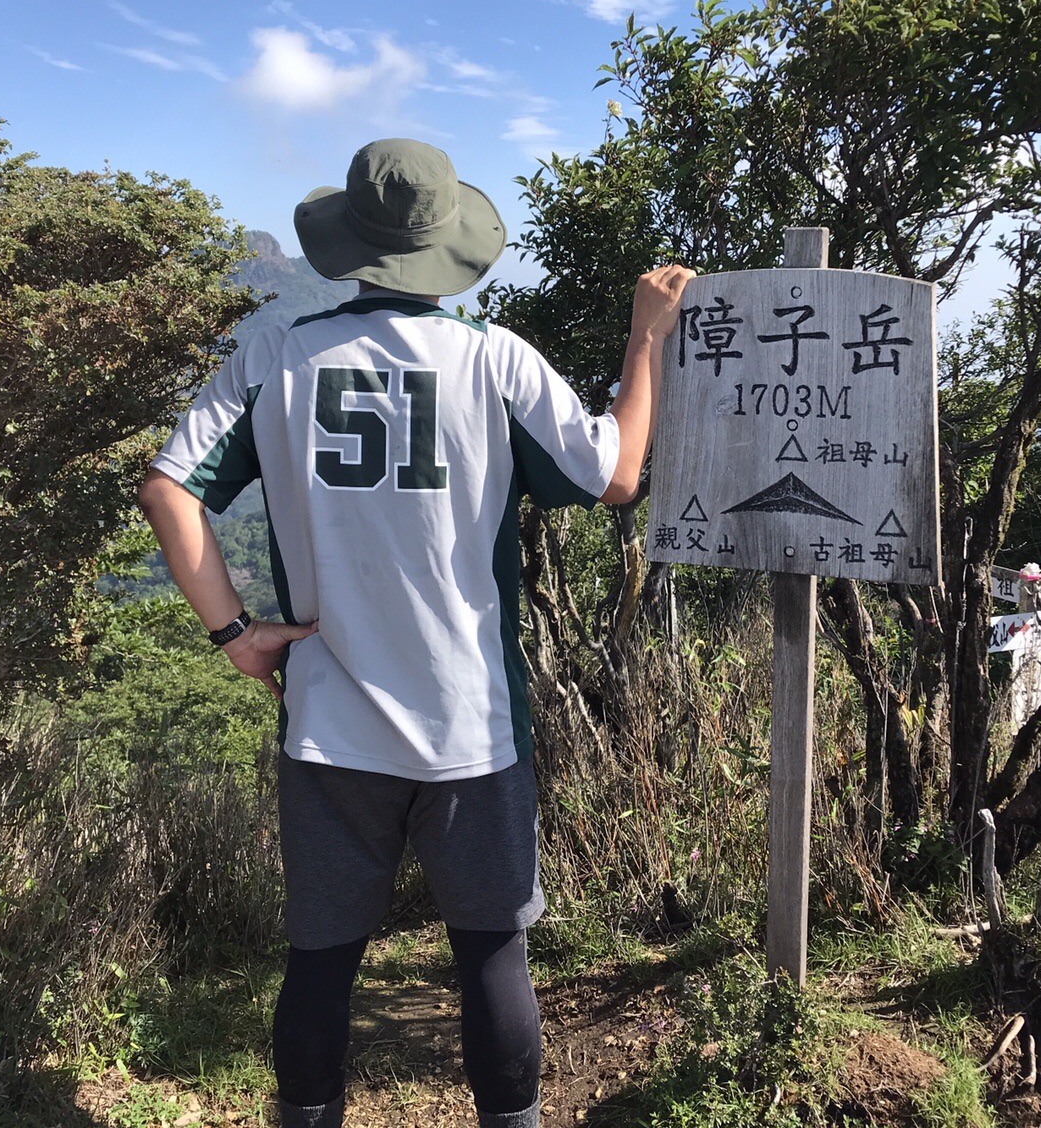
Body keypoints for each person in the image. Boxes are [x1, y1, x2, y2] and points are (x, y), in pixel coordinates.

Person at [138, 137, 691, 1128]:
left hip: (328, 722)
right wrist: (644, 337)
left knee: (319, 960)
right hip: (471, 725)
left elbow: (167, 489)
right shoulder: (493, 359)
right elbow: (615, 475)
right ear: (448, 245)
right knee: (491, 953)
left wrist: (237, 633)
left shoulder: (277, 355)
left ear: (349, 243)